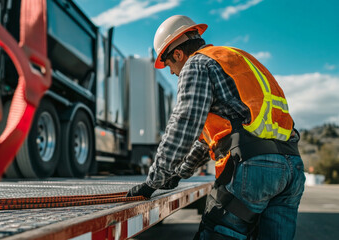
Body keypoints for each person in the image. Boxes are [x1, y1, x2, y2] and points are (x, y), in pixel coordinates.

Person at [126, 15, 305, 240]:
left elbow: (184, 125)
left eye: (170, 65)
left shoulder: (197, 64)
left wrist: (154, 182)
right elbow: (212, 138)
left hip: (253, 169)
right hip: (292, 169)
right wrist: (179, 174)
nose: (172, 73)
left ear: (178, 54)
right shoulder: (237, 58)